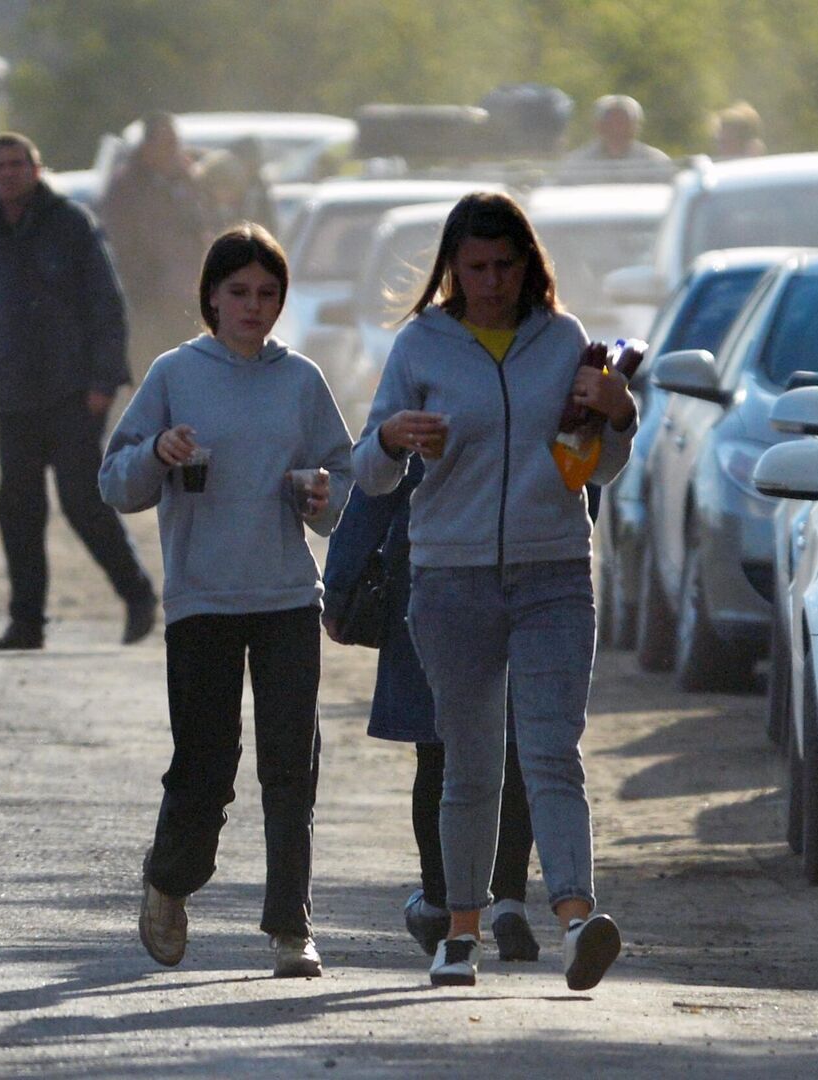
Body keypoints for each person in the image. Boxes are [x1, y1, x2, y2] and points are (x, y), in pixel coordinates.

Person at [352, 192, 638, 990]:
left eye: (505, 265)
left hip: (552, 575)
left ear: (529, 263)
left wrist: (619, 415)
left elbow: (590, 469)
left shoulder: (565, 341)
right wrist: (392, 436)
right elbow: (367, 473)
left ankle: (580, 920)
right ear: (451, 267)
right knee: (470, 761)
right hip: (450, 579)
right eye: (475, 267)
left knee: (553, 753)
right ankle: (460, 933)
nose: (491, 281)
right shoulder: (421, 345)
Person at [100, 224, 353, 979]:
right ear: (210, 296)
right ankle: (170, 878)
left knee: (290, 765)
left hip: (284, 597)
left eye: (268, 293)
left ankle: (289, 928)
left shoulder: (301, 380)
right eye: (238, 292)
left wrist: (318, 494)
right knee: (207, 765)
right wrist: (158, 453)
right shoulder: (177, 374)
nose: (253, 306)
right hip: (202, 599)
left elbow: (341, 484)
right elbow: (115, 483)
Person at [322, 457, 541, 962]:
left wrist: (337, 587)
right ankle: (509, 905)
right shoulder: (542, 382)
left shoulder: (433, 381)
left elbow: (378, 479)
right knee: (510, 745)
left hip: (434, 577)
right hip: (527, 576)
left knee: (439, 748)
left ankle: (441, 902)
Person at [0, 132, 158, 651]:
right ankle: (27, 623)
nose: (8, 173)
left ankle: (137, 595)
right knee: (18, 509)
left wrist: (103, 381)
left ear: (36, 168)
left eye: (17, 164)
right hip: (16, 400)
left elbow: (108, 307)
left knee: (84, 502)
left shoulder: (73, 226)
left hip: (74, 395)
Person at [100, 111, 212, 382]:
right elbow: (121, 245)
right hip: (148, 303)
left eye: (175, 143)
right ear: (148, 147)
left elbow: (203, 225)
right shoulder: (126, 186)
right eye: (166, 144)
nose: (173, 151)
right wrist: (148, 283)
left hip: (189, 300)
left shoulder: (187, 180)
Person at [565, 95, 671, 164]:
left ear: (636, 126)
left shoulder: (656, 161)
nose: (617, 127)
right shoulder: (576, 162)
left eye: (623, 121)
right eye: (610, 120)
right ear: (598, 125)